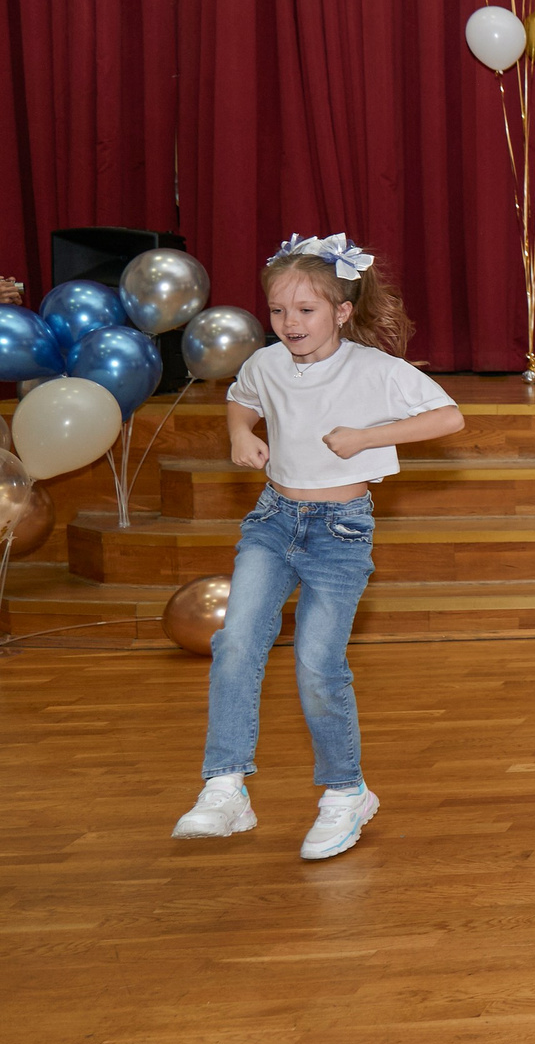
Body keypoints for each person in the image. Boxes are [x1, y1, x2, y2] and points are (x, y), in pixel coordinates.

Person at [171, 234, 463, 859]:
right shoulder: (265, 365)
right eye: (278, 311)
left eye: (305, 311)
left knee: (316, 665)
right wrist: (238, 436)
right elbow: (240, 401)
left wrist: (364, 437)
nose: (289, 324)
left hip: (340, 532)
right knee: (236, 642)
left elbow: (448, 418)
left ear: (340, 310)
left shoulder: (374, 369)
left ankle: (345, 792)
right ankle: (225, 788)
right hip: (272, 520)